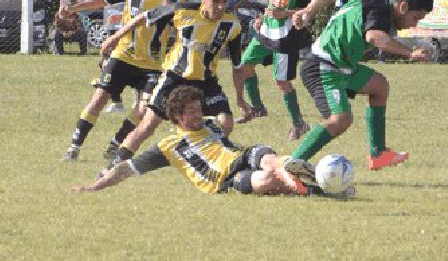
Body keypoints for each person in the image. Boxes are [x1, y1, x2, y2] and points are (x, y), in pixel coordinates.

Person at [68, 85, 350, 197]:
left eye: (199, 109)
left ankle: (297, 175)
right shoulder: (169, 147)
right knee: (264, 181)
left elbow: (226, 121)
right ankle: (313, 183)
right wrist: (92, 186)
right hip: (222, 181)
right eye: (191, 112)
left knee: (264, 156)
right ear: (177, 116)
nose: (198, 114)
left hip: (241, 156)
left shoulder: (211, 127)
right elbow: (126, 169)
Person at [97, 0, 251, 175]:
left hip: (206, 82)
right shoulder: (182, 11)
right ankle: (111, 169)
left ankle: (200, 161)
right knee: (147, 126)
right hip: (175, 78)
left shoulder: (232, 25)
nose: (221, 7)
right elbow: (144, 17)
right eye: (215, 1)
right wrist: (115, 37)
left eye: (225, 1)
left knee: (226, 123)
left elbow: (237, 67)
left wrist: (240, 99)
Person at [288, 0, 433, 171]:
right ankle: (293, 164)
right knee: (340, 119)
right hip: (322, 66)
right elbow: (374, 37)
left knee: (379, 86)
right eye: (416, 18)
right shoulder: (381, 11)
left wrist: (308, 11)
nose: (414, 25)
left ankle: (378, 153)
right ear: (403, 6)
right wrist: (410, 53)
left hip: (342, 67)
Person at [60, 0, 187, 162]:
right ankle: (74, 147)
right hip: (124, 56)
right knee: (99, 98)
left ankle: (117, 142)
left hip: (154, 64)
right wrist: (73, 8)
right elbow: (102, 0)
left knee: (144, 108)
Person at [234, 0, 316, 143]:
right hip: (266, 31)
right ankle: (258, 107)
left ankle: (299, 124)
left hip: (286, 37)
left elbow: (309, 10)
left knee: (281, 81)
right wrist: (262, 17)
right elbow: (274, 0)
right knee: (245, 66)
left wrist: (286, 14)